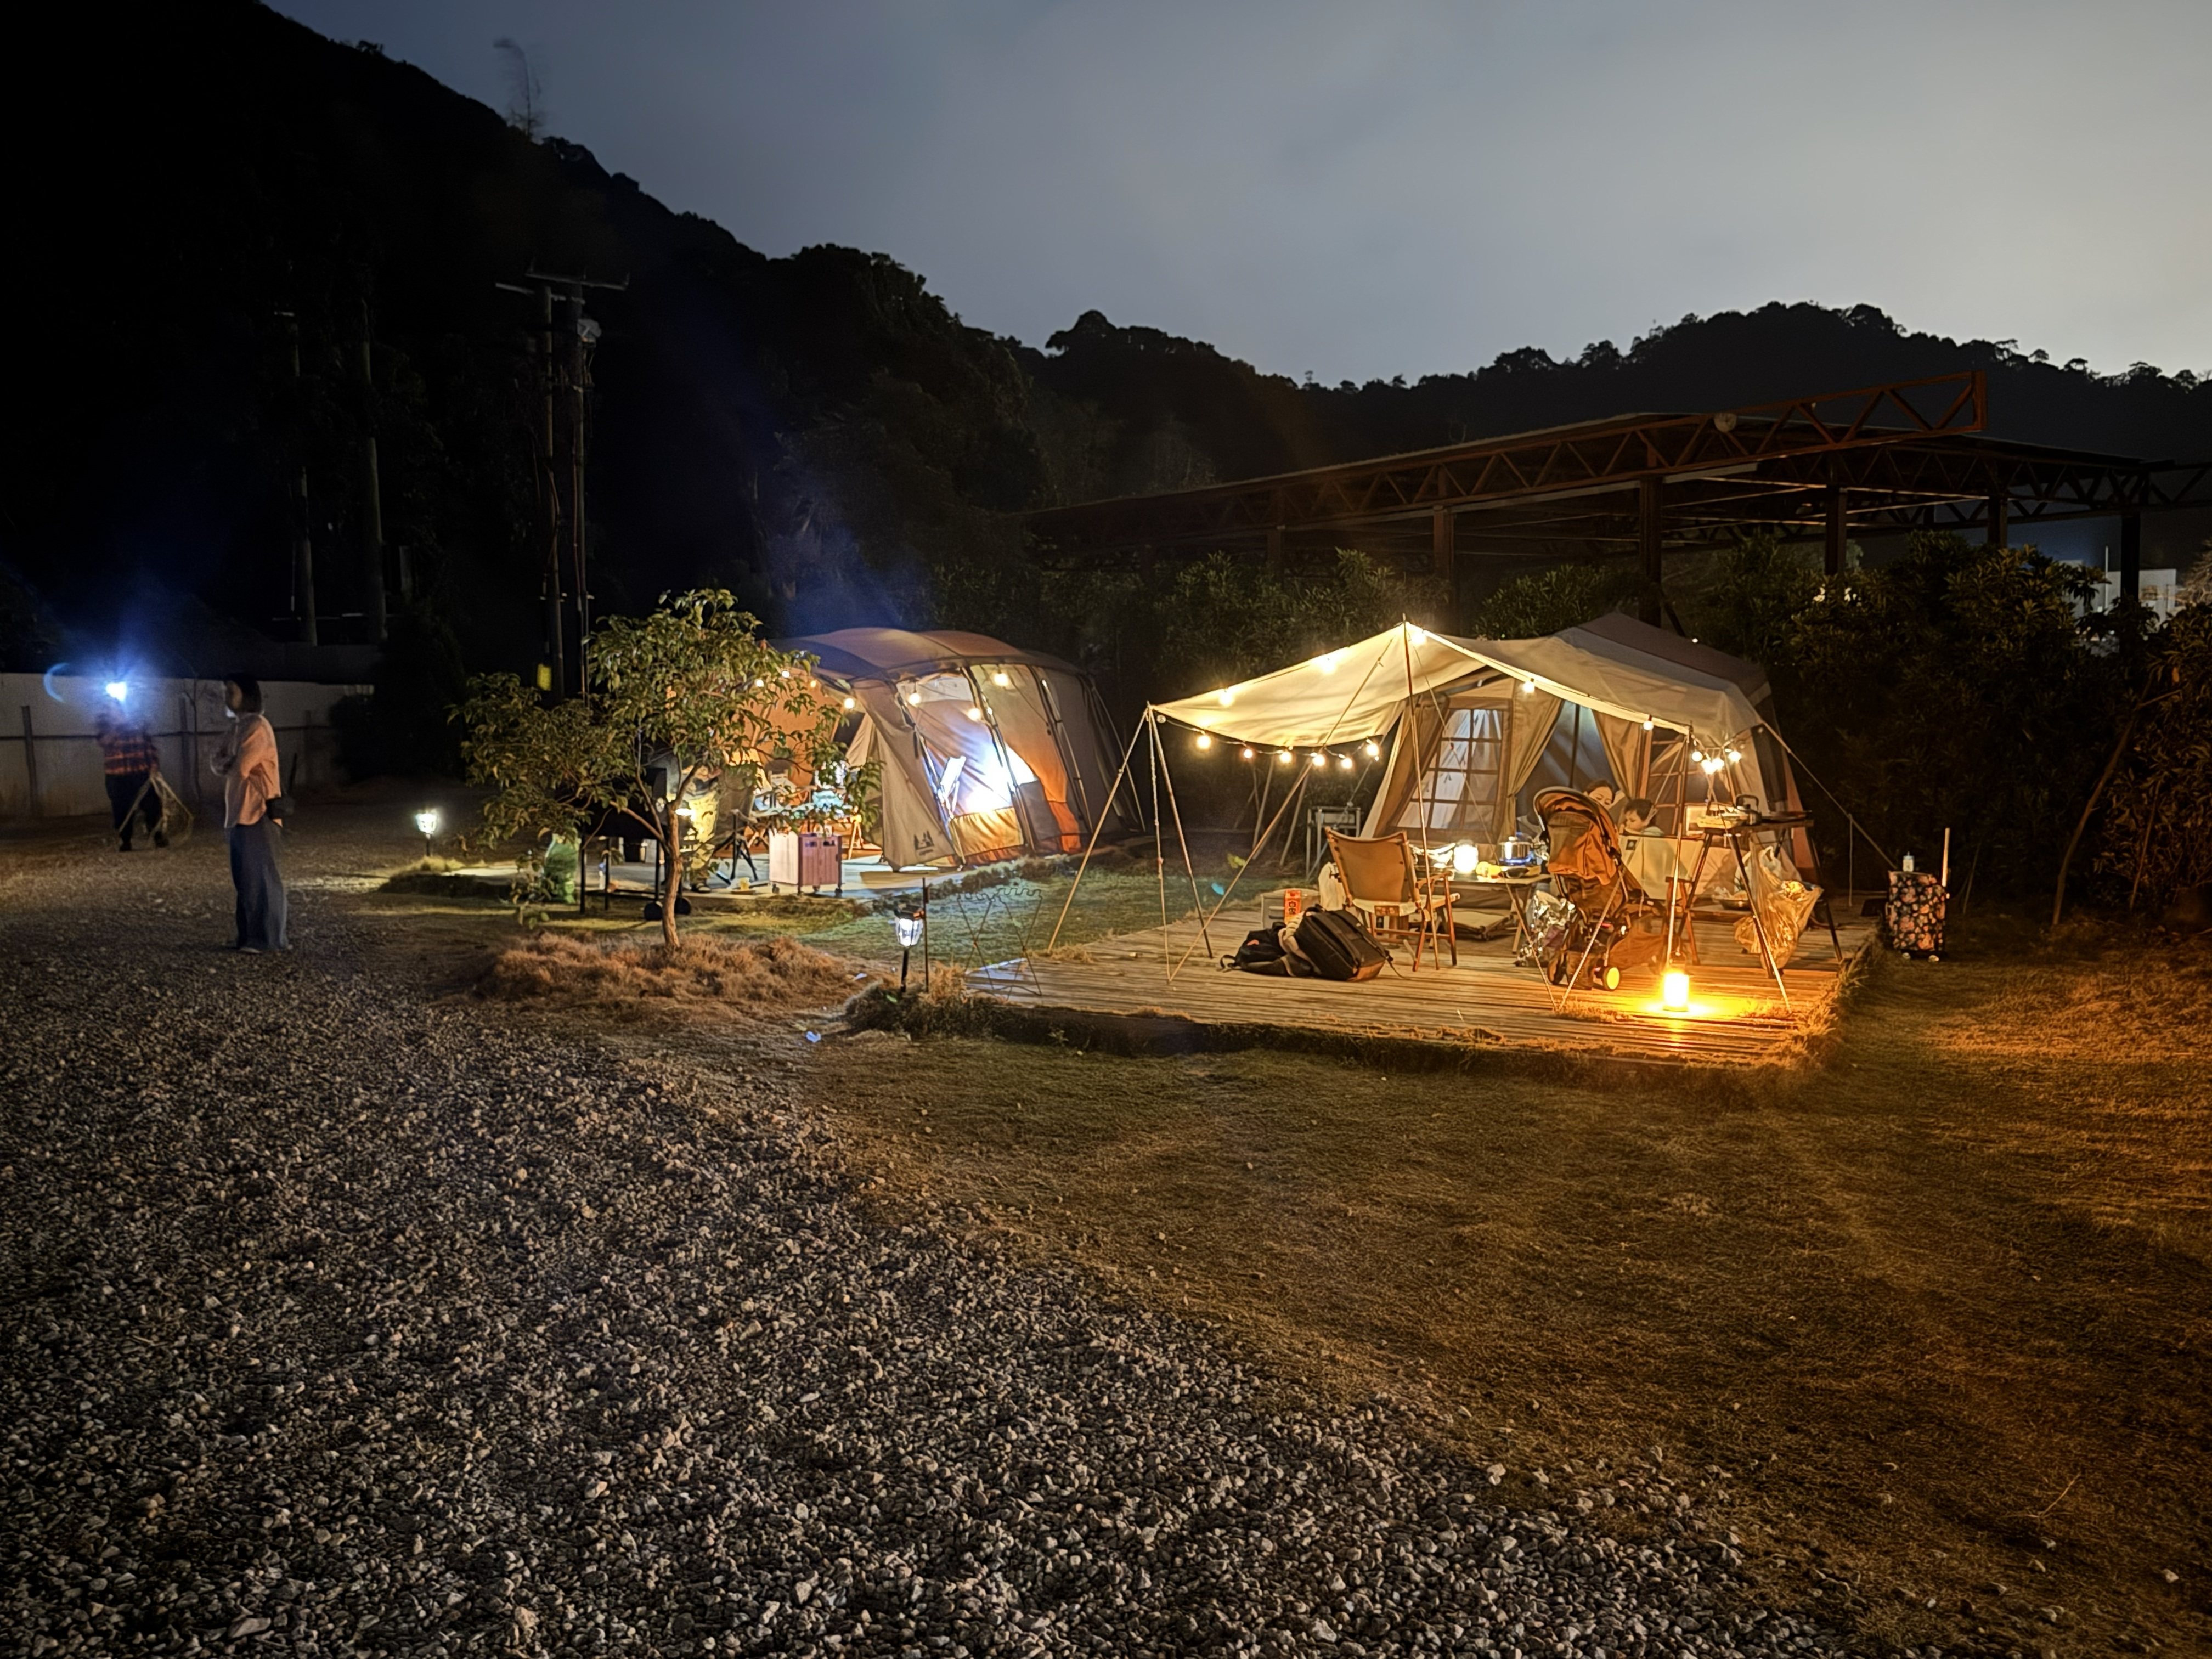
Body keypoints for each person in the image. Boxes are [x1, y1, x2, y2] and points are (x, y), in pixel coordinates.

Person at [211, 675, 287, 952]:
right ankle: (249, 937)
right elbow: (218, 762)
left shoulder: (257, 726)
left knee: (261, 878)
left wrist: (229, 762)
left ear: (247, 694)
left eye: (231, 691)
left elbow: (240, 767)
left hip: (258, 811)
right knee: (246, 879)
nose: (227, 696)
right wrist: (229, 762)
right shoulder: (238, 727)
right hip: (240, 812)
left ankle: (266, 939)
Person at [94, 701, 166, 851]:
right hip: (117, 775)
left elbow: (148, 744)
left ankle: (157, 834)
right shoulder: (104, 723)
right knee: (122, 809)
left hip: (140, 772)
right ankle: (125, 840)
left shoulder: (137, 720)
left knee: (152, 805)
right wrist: (118, 726)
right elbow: (104, 742)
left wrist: (153, 764)